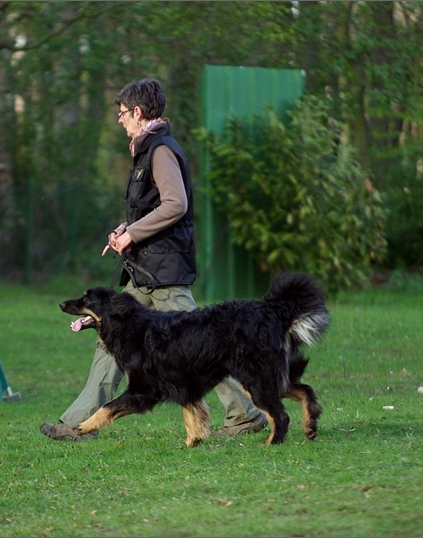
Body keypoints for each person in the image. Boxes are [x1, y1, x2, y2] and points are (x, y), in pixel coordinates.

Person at [40, 78, 266, 442]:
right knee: (110, 340)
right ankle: (77, 424)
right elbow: (151, 207)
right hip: (143, 270)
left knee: (204, 348)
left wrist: (134, 234)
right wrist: (125, 229)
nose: (119, 120)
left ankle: (244, 414)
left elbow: (176, 203)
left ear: (138, 112)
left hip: (164, 271)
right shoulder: (145, 149)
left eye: (122, 113)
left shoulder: (160, 150)